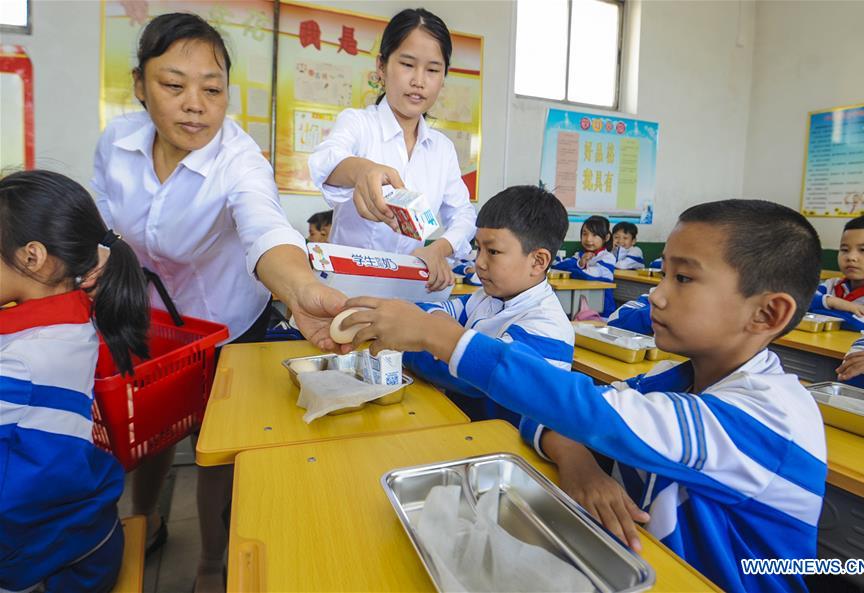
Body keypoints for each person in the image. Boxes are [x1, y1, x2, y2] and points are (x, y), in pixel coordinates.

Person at [339, 199, 827, 593]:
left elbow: (589, 410)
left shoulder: (767, 418)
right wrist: (576, 456)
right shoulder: (678, 379)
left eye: (682, 278)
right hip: (646, 562)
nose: (655, 295)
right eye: (663, 275)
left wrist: (438, 337)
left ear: (766, 314)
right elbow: (562, 411)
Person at [91, 13, 348, 592]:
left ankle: (211, 563)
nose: (195, 105)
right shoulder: (118, 143)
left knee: (214, 446)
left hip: (228, 323)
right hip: (150, 320)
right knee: (151, 428)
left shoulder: (240, 159)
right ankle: (147, 520)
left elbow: (266, 230)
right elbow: (105, 219)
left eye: (212, 88)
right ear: (139, 85)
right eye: (173, 85)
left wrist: (301, 289)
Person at [0, 170, 150, 593]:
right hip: (79, 525)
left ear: (32, 257)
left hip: (45, 553)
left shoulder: (25, 361)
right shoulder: (71, 317)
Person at [308, 8, 476, 292]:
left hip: (405, 293)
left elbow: (463, 214)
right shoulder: (359, 124)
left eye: (433, 70)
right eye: (408, 64)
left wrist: (440, 249)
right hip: (345, 289)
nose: (419, 81)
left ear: (443, 77)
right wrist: (362, 170)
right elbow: (325, 162)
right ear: (381, 66)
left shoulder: (442, 150)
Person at [405, 185, 573, 424]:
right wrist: (435, 328)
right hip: (464, 425)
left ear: (538, 261)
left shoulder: (547, 326)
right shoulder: (485, 298)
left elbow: (466, 377)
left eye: (492, 251)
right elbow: (421, 308)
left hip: (509, 443)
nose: (479, 263)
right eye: (478, 248)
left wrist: (420, 337)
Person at [808, 215, 864, 330]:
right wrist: (836, 302)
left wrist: (817, 308)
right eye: (845, 250)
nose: (851, 257)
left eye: (863, 250)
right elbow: (799, 301)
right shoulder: (831, 285)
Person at [552, 215, 616, 316]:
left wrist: (574, 269)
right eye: (585, 234)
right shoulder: (580, 255)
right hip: (579, 303)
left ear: (606, 237)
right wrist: (579, 263)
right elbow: (558, 266)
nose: (588, 239)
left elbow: (588, 275)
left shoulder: (608, 257)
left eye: (594, 235)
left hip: (602, 309)